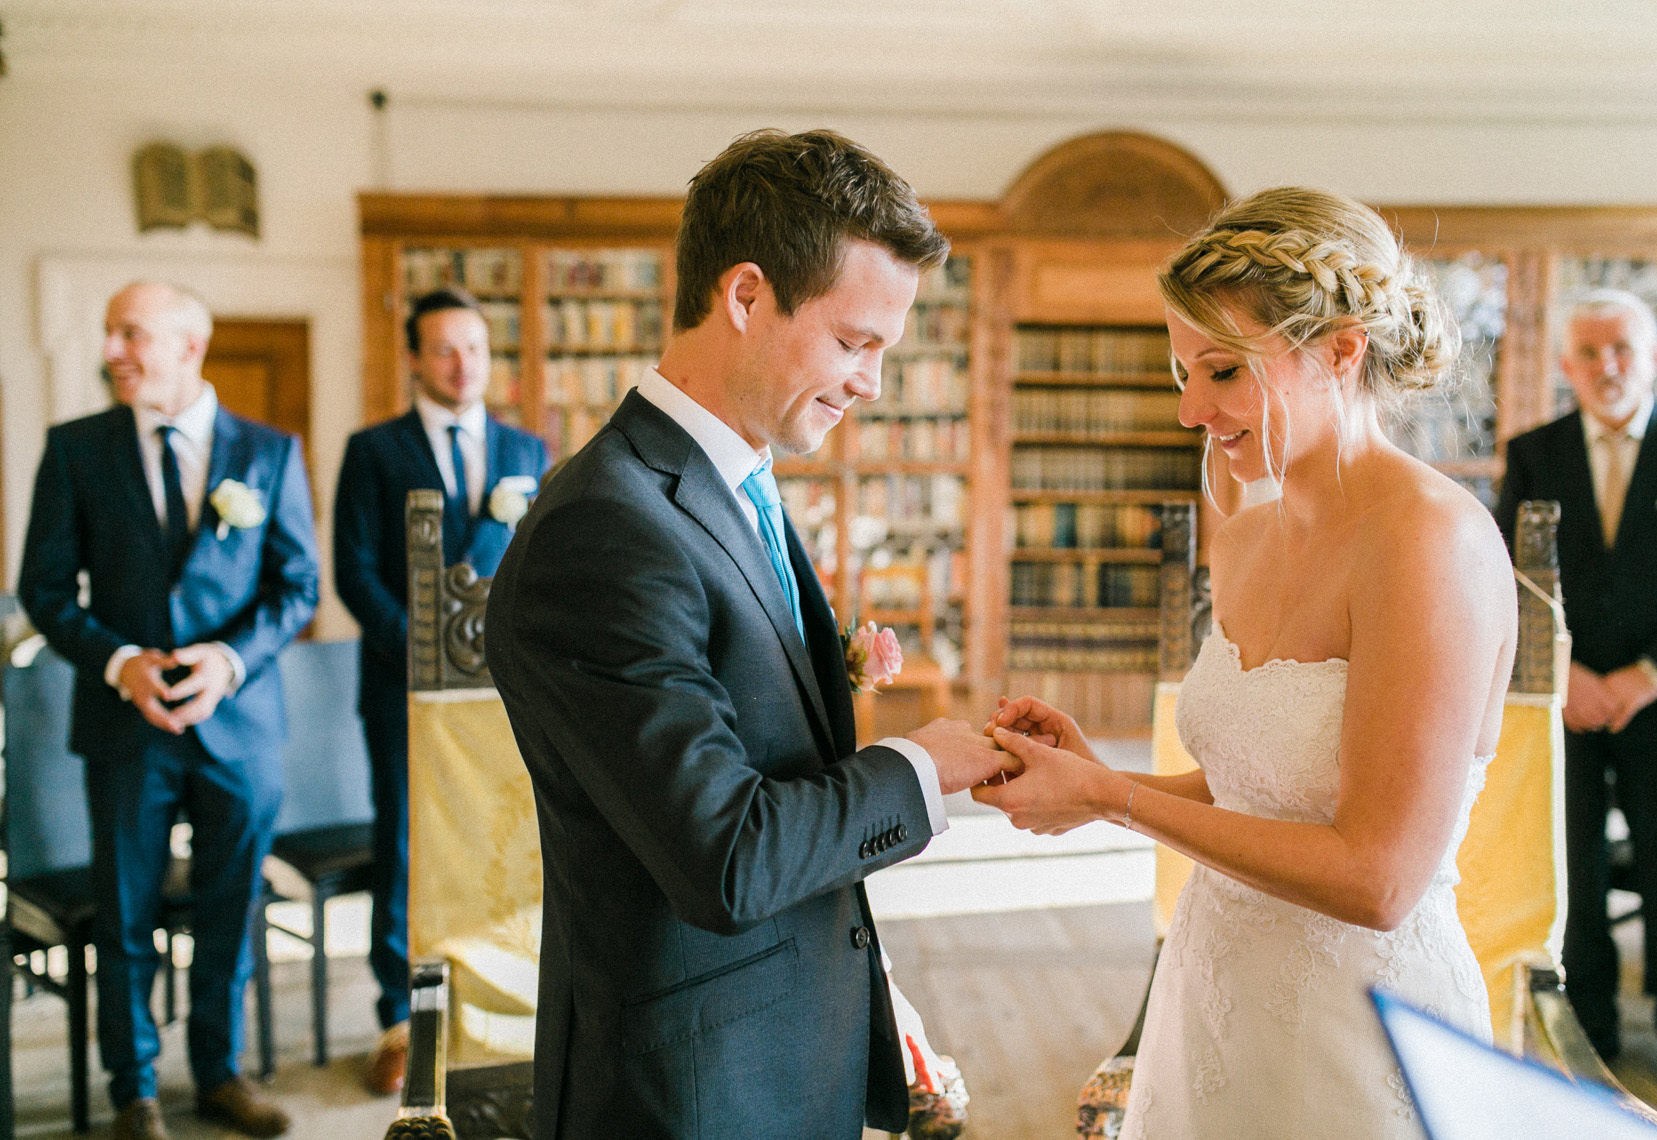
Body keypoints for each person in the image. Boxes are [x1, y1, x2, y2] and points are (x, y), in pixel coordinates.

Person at [484, 129, 1011, 1140]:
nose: (873, 383)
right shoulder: (604, 530)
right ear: (745, 297)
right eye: (854, 343)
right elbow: (726, 856)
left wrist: (870, 997)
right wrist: (919, 768)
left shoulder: (734, 484)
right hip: (688, 1095)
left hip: (774, 1045)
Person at [978, 188, 1516, 1139]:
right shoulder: (1243, 541)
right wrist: (1092, 782)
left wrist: (1112, 800)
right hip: (1214, 997)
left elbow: (1378, 879)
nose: (1192, 410)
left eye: (1222, 371)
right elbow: (1258, 792)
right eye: (1182, 372)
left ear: (1342, 351)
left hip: (1360, 1030)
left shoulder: (1431, 542)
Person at [18, 282, 319, 1140]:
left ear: (190, 345)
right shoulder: (75, 450)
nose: (112, 349)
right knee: (125, 914)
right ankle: (135, 1091)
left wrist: (227, 662)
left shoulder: (269, 452)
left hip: (240, 726)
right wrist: (122, 665)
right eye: (109, 332)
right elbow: (44, 588)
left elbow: (297, 585)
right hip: (126, 725)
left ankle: (220, 1073)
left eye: (131, 333)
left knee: (233, 910)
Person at [1496, 289, 1657, 1116]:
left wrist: (1647, 676)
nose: (1607, 365)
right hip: (1566, 699)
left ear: (1654, 355)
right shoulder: (1533, 454)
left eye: (1622, 348)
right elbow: (1511, 576)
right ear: (1565, 365)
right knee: (1569, 863)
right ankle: (1583, 1047)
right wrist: (1569, 673)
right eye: (1589, 351)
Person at [333, 287, 550, 1094]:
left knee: (502, 838)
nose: (464, 365)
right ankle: (400, 1019)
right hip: (402, 687)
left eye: (476, 349)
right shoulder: (373, 451)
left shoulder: (527, 449)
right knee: (405, 842)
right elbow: (354, 571)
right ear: (415, 359)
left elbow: (544, 559)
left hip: (507, 693)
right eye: (446, 350)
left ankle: (500, 1006)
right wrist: (421, 649)